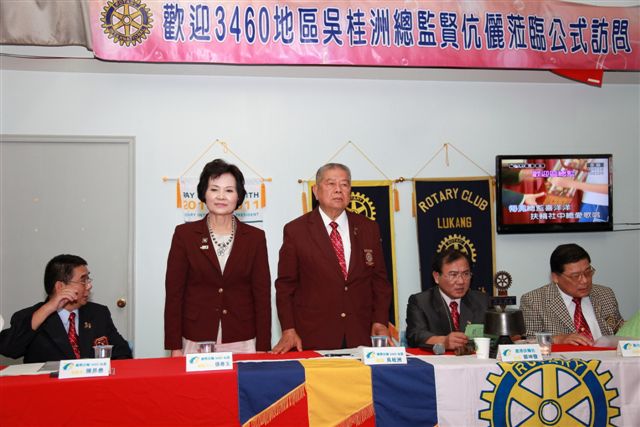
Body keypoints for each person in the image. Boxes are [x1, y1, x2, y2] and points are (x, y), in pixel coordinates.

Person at [272, 163, 391, 353]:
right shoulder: (296, 230)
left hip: (360, 334)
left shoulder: (369, 228)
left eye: (344, 184)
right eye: (331, 183)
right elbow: (285, 286)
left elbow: (380, 282)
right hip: (313, 336)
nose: (338, 190)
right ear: (315, 191)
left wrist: (380, 321)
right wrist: (288, 329)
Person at [165, 159, 271, 355]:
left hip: (242, 336)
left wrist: (263, 347)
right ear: (204, 193)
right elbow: (174, 295)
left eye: (229, 190)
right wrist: (174, 346)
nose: (221, 196)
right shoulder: (185, 235)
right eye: (214, 189)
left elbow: (262, 295)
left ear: (238, 196)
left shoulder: (255, 238)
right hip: (196, 336)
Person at [0, 254, 132, 363]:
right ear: (60, 287)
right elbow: (10, 349)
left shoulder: (98, 313)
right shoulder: (34, 317)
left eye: (88, 279)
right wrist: (49, 307)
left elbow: (122, 352)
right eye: (83, 280)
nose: (89, 286)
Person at [520, 243, 623, 345]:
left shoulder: (605, 294)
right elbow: (527, 342)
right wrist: (556, 340)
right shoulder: (534, 301)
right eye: (575, 276)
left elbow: (621, 333)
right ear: (555, 277)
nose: (584, 280)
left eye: (588, 272)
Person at [405, 248, 491, 351]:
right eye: (453, 275)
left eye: (466, 274)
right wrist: (443, 341)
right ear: (437, 277)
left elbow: (494, 334)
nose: (461, 281)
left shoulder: (482, 301)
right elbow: (416, 335)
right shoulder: (421, 302)